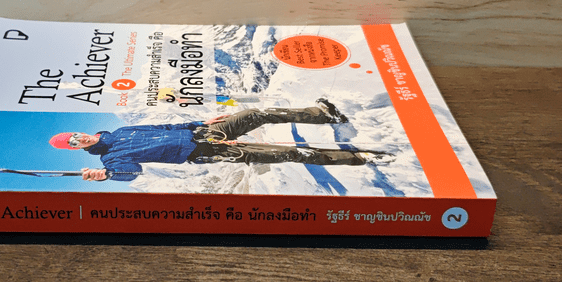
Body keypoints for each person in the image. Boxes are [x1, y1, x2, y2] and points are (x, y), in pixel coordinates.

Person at [49, 101, 393, 182]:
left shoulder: (121, 132)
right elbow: (132, 173)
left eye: (75, 135)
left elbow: (166, 125)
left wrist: (200, 122)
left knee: (256, 114)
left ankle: (324, 115)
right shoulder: (110, 159)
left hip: (205, 132)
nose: (79, 139)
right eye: (74, 143)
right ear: (77, 149)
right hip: (205, 152)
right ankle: (360, 158)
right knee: (290, 153)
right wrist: (107, 177)